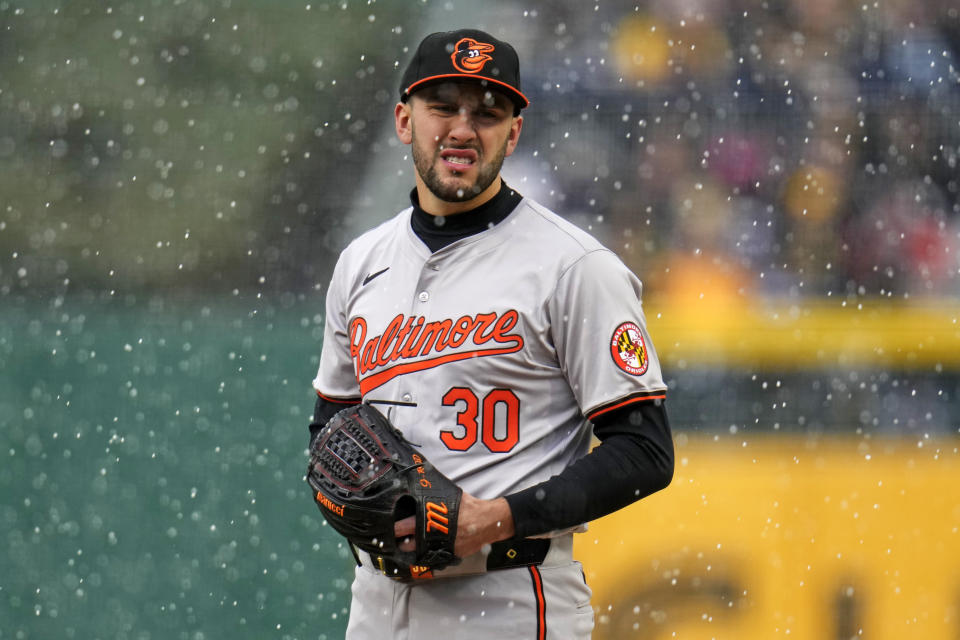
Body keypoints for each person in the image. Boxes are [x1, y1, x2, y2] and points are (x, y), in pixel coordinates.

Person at [308, 28, 674, 639]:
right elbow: (330, 430)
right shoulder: (361, 263)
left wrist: (500, 517)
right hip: (374, 602)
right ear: (404, 121)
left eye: (487, 112)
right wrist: (364, 510)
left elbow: (645, 452)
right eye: (442, 107)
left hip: (508, 597)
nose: (462, 128)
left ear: (514, 132)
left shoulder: (574, 267)